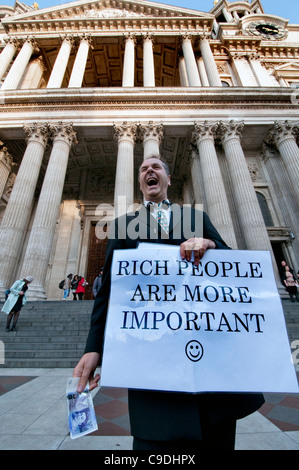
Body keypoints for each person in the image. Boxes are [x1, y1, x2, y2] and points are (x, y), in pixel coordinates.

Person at [73, 156, 264, 451]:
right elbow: (109, 292)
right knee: (155, 443)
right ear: (140, 182)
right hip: (154, 359)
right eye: (144, 169)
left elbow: (233, 265)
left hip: (208, 356)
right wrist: (94, 346)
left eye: (156, 167)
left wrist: (210, 245)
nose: (150, 171)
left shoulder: (195, 218)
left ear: (168, 180)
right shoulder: (123, 226)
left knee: (216, 436)